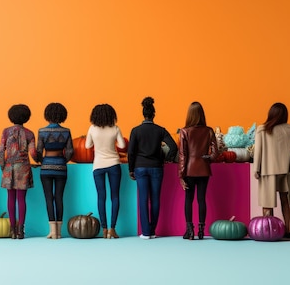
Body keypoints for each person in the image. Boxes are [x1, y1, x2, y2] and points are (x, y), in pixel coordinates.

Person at [128, 97, 178, 239]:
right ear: (153, 115)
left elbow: (131, 152)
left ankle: (146, 232)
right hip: (157, 168)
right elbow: (173, 146)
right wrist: (167, 159)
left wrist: (131, 169)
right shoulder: (160, 130)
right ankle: (153, 230)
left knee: (143, 199)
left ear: (143, 114)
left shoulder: (136, 131)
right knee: (155, 199)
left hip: (140, 167)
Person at [253, 102, 290, 238]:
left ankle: (268, 230)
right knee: (284, 199)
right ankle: (288, 229)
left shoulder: (263, 129)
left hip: (267, 169)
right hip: (285, 170)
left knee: (267, 201)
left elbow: (258, 151)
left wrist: (256, 169)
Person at [178, 101, 218, 240]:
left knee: (188, 199)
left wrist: (181, 175)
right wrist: (205, 157)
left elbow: (183, 155)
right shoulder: (209, 131)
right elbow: (215, 154)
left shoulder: (184, 131)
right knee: (202, 199)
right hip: (204, 169)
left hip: (189, 170)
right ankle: (201, 230)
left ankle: (189, 231)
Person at [85, 104, 126, 239]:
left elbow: (87, 146)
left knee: (101, 197)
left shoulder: (92, 129)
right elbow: (122, 145)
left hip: (98, 165)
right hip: (114, 163)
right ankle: (112, 229)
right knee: (115, 196)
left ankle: (103, 229)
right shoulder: (115, 128)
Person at [0, 104, 36, 239]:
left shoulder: (6, 132)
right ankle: (21, 230)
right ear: (26, 117)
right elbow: (33, 153)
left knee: (10, 198)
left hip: (9, 167)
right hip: (23, 167)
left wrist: (4, 167)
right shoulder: (30, 133)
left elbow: (1, 152)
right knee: (21, 199)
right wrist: (38, 160)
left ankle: (12, 230)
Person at [35, 102, 74, 239]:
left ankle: (52, 231)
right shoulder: (66, 131)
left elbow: (38, 151)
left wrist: (40, 161)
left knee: (48, 198)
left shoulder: (42, 131)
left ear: (47, 115)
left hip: (46, 167)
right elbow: (70, 151)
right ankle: (59, 231)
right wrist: (63, 160)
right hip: (61, 167)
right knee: (59, 197)